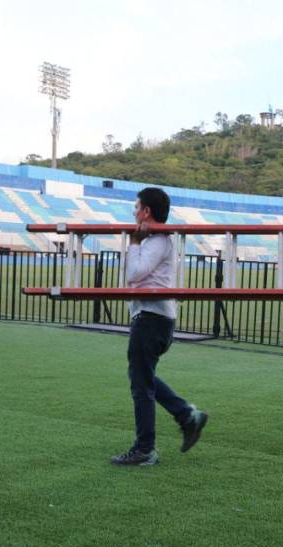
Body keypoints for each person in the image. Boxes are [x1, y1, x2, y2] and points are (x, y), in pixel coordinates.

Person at [111, 187, 208, 467]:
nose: (133, 212)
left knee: (141, 384)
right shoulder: (157, 240)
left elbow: (133, 274)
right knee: (142, 377)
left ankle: (145, 448)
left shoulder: (155, 241)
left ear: (146, 212)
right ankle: (187, 415)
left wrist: (133, 243)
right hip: (155, 318)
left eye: (136, 206)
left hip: (151, 319)